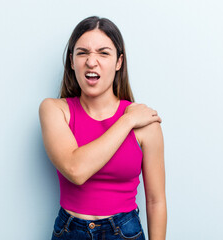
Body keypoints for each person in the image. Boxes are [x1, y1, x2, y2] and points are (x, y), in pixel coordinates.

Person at [39, 16, 166, 240]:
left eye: (103, 52)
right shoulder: (54, 110)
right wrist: (126, 121)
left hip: (125, 231)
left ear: (119, 62)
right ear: (71, 61)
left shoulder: (146, 123)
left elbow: (156, 201)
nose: (91, 61)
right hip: (70, 231)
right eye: (82, 53)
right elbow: (76, 170)